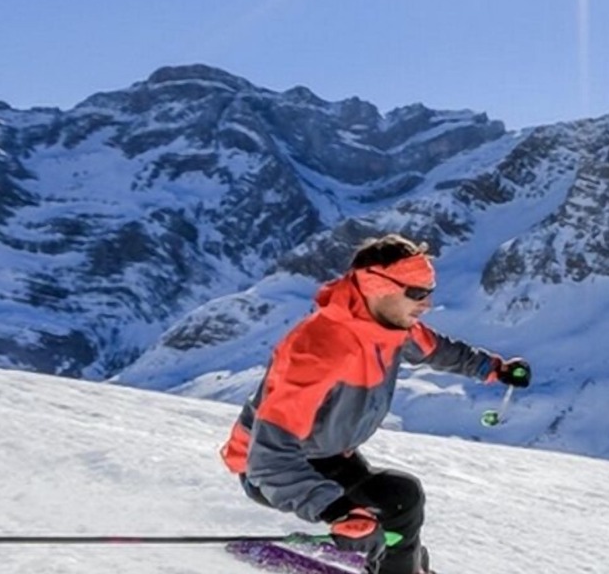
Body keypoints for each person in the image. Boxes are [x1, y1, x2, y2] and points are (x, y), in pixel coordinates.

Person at [221, 234, 532, 574]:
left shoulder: (389, 327)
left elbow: (436, 350)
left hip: (329, 454)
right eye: (417, 293)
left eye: (428, 291)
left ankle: (397, 563)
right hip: (273, 468)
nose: (427, 304)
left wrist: (494, 369)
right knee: (400, 499)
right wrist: (336, 510)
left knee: (399, 519)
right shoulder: (318, 351)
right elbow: (268, 458)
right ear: (376, 286)